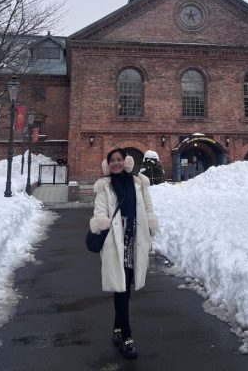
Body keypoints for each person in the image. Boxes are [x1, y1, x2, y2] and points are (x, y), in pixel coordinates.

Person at [89, 148, 158, 359]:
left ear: (127, 162)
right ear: (107, 165)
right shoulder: (104, 187)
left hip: (134, 242)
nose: (116, 164)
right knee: (120, 289)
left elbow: (147, 208)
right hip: (115, 244)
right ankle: (127, 337)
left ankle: (117, 329)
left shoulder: (139, 183)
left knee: (125, 289)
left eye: (119, 160)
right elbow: (100, 211)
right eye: (112, 161)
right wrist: (102, 223)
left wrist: (150, 226)